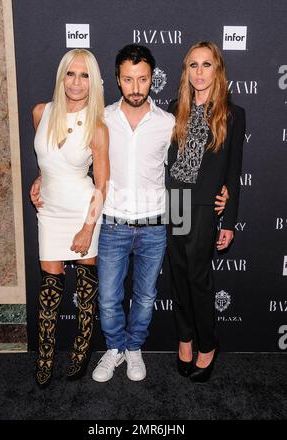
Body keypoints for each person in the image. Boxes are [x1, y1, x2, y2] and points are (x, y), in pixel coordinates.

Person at [91, 44, 228, 383]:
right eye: (128, 79)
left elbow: (200, 161)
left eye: (142, 79)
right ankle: (114, 349)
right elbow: (75, 154)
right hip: (113, 222)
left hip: (156, 223)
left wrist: (224, 192)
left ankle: (135, 348)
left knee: (147, 296)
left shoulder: (169, 121)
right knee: (108, 298)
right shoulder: (103, 118)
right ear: (118, 80)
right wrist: (42, 179)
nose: (135, 87)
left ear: (152, 79)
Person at [166, 41, 245, 382]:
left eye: (206, 64)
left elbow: (233, 171)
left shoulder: (231, 113)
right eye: (193, 65)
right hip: (175, 202)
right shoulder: (174, 109)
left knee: (198, 278)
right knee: (180, 276)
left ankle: (208, 345)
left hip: (203, 205)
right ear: (186, 71)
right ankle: (185, 338)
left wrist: (229, 219)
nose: (199, 71)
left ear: (217, 69)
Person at [30, 48, 109, 387]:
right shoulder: (40, 112)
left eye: (85, 75)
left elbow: (103, 183)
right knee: (50, 286)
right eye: (71, 73)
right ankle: (45, 354)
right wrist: (38, 180)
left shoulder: (98, 126)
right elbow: (47, 161)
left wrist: (88, 227)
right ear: (62, 76)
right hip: (49, 210)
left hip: (82, 209)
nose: (76, 82)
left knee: (84, 290)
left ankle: (82, 347)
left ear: (93, 82)